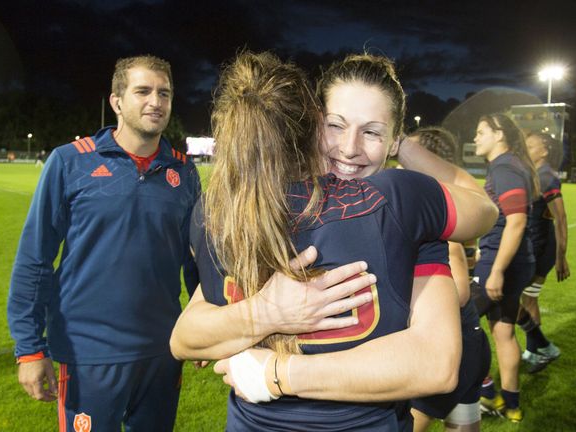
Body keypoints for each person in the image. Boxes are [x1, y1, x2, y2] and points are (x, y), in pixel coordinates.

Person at [171, 51, 497, 431]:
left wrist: (277, 369)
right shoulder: (403, 202)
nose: (349, 148)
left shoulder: (227, 208)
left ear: (392, 141)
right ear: (311, 125)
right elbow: (483, 209)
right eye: (335, 125)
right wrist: (266, 314)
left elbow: (185, 339)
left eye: (372, 131)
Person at [7, 55, 203, 431]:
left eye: (164, 93)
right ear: (116, 101)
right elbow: (35, 259)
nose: (155, 102)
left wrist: (205, 324)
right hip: (89, 353)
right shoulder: (69, 163)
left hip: (163, 350)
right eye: (142, 91)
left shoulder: (184, 171)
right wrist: (30, 347)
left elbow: (195, 260)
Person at [408, 127, 491, 432]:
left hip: (451, 347)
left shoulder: (438, 217)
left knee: (408, 423)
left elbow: (459, 291)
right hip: (469, 341)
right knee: (465, 425)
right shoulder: (446, 208)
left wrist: (407, 304)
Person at [469, 113, 539, 423]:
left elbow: (517, 220)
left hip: (501, 262)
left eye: (481, 131)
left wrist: (496, 270)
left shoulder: (505, 166)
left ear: (499, 135)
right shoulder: (511, 164)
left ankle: (486, 393)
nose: (475, 137)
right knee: (504, 332)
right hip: (516, 261)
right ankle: (512, 407)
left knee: (458, 325)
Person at [518, 132, 570, 371]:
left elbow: (560, 219)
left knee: (527, 300)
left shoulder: (547, 177)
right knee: (527, 299)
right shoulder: (534, 175)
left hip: (541, 248)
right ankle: (535, 349)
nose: (526, 149)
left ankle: (538, 350)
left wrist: (561, 257)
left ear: (544, 151)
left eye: (531, 145)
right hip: (533, 245)